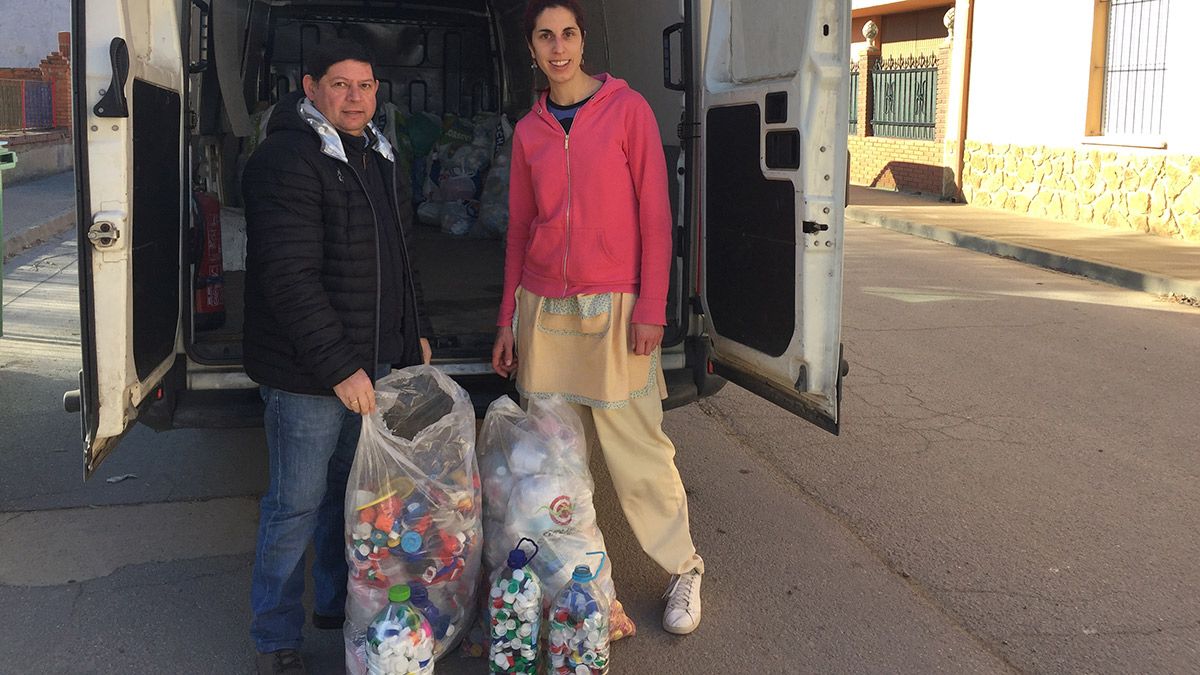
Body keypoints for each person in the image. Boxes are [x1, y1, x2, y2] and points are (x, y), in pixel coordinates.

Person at [491, 0, 705, 636]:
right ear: (530, 47)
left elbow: (654, 217)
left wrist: (653, 309)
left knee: (639, 450)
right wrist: (507, 318)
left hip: (614, 309)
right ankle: (577, 586)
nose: (558, 47)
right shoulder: (528, 130)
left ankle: (684, 569)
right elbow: (520, 230)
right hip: (544, 311)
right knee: (553, 464)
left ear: (584, 41)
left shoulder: (627, 111)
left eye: (569, 34)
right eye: (545, 36)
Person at [241, 39, 432, 675]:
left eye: (366, 85)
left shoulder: (375, 153)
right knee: (294, 504)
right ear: (311, 87)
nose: (355, 97)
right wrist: (339, 368)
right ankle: (275, 638)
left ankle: (331, 603)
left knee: (348, 499)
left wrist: (417, 330)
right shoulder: (287, 159)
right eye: (341, 85)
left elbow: (401, 255)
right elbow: (288, 277)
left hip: (371, 365)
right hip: (311, 376)